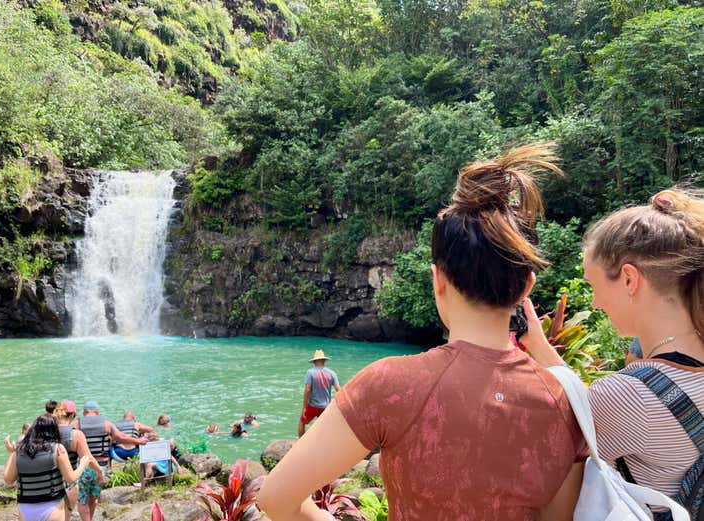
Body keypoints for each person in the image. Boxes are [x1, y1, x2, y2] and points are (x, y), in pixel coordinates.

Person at [258, 143, 587, 521]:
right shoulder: (563, 402)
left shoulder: (391, 384)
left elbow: (277, 498)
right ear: (527, 286)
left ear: (438, 281)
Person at [521, 188, 704, 516]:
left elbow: (530, 476)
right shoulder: (659, 385)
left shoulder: (627, 397)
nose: (594, 303)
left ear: (630, 280)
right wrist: (539, 345)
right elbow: (603, 404)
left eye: (594, 287)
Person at [3, 414, 90, 521]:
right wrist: (83, 464)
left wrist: (11, 453)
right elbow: (70, 478)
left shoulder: (19, 451)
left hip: (25, 507)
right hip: (52, 506)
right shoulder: (58, 449)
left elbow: (8, 480)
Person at [73, 401, 148, 521]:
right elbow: (121, 437)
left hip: (84, 467)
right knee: (93, 497)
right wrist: (139, 441)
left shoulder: (77, 424)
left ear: (84, 412)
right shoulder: (106, 423)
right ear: (97, 412)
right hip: (101, 467)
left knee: (82, 499)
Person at [55, 400, 103, 521]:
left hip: (47, 481)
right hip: (67, 484)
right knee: (65, 516)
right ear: (72, 415)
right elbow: (88, 459)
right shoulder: (75, 435)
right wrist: (99, 471)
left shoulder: (46, 431)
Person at [298, 350, 341, 437]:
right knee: (326, 427)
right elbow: (339, 390)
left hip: (312, 406)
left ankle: (299, 444)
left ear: (314, 361)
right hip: (325, 407)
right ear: (324, 361)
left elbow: (307, 389)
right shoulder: (332, 373)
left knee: (302, 423)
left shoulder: (310, 372)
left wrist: (304, 407)